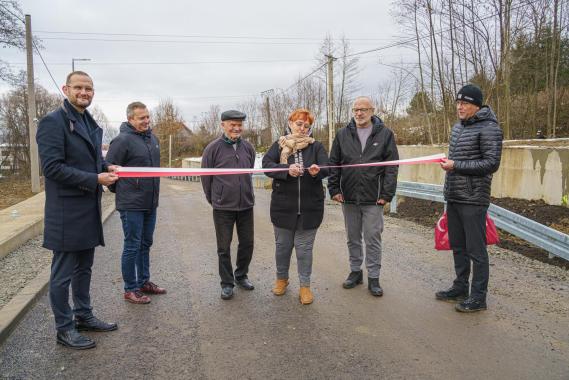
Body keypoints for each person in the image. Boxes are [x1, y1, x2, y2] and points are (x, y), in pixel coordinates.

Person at [36, 71, 118, 350]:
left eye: (89, 89)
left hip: (87, 209)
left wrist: (105, 167)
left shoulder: (88, 121)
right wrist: (96, 179)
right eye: (79, 88)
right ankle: (64, 328)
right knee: (62, 274)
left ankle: (83, 316)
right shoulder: (52, 122)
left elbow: (90, 160)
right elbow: (52, 169)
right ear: (66, 89)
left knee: (85, 268)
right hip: (66, 212)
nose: (85, 92)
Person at [437, 84, 503, 312]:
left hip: (474, 198)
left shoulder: (490, 128)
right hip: (455, 195)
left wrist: (456, 165)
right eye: (458, 102)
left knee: (476, 250)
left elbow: (491, 163)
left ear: (477, 105)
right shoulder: (458, 128)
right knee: (458, 246)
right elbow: (460, 159)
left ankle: (478, 297)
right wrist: (449, 163)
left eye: (464, 103)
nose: (460, 106)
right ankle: (460, 287)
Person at [328, 96, 399, 297]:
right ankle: (355, 272)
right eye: (356, 109)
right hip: (348, 196)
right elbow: (334, 163)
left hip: (373, 198)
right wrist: (334, 189)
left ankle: (374, 278)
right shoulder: (342, 134)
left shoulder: (385, 134)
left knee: (372, 238)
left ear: (372, 111)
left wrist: (386, 193)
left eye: (363, 109)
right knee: (352, 238)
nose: (359, 113)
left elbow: (392, 167)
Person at [262, 109, 329, 305]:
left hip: (310, 209)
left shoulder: (316, 146)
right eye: (299, 123)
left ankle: (305, 286)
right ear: (290, 123)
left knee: (304, 250)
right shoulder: (279, 144)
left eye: (306, 126)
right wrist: (286, 169)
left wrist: (317, 172)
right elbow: (267, 166)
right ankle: (281, 279)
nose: (302, 128)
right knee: (283, 248)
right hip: (283, 208)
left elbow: (327, 168)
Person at [106, 102, 165, 305]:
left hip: (151, 202)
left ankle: (143, 281)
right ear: (131, 119)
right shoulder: (122, 140)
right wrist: (125, 192)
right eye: (141, 118)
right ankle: (130, 289)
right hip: (131, 204)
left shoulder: (153, 139)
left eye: (147, 117)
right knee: (132, 245)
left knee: (145, 244)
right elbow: (108, 169)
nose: (146, 121)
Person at [201, 110, 256, 300]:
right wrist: (214, 199)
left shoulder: (248, 147)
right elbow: (206, 179)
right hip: (223, 207)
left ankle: (241, 275)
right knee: (224, 247)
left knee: (247, 243)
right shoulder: (212, 149)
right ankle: (226, 283)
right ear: (223, 125)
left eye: (239, 124)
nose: (236, 128)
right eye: (232, 124)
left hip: (246, 205)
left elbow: (249, 173)